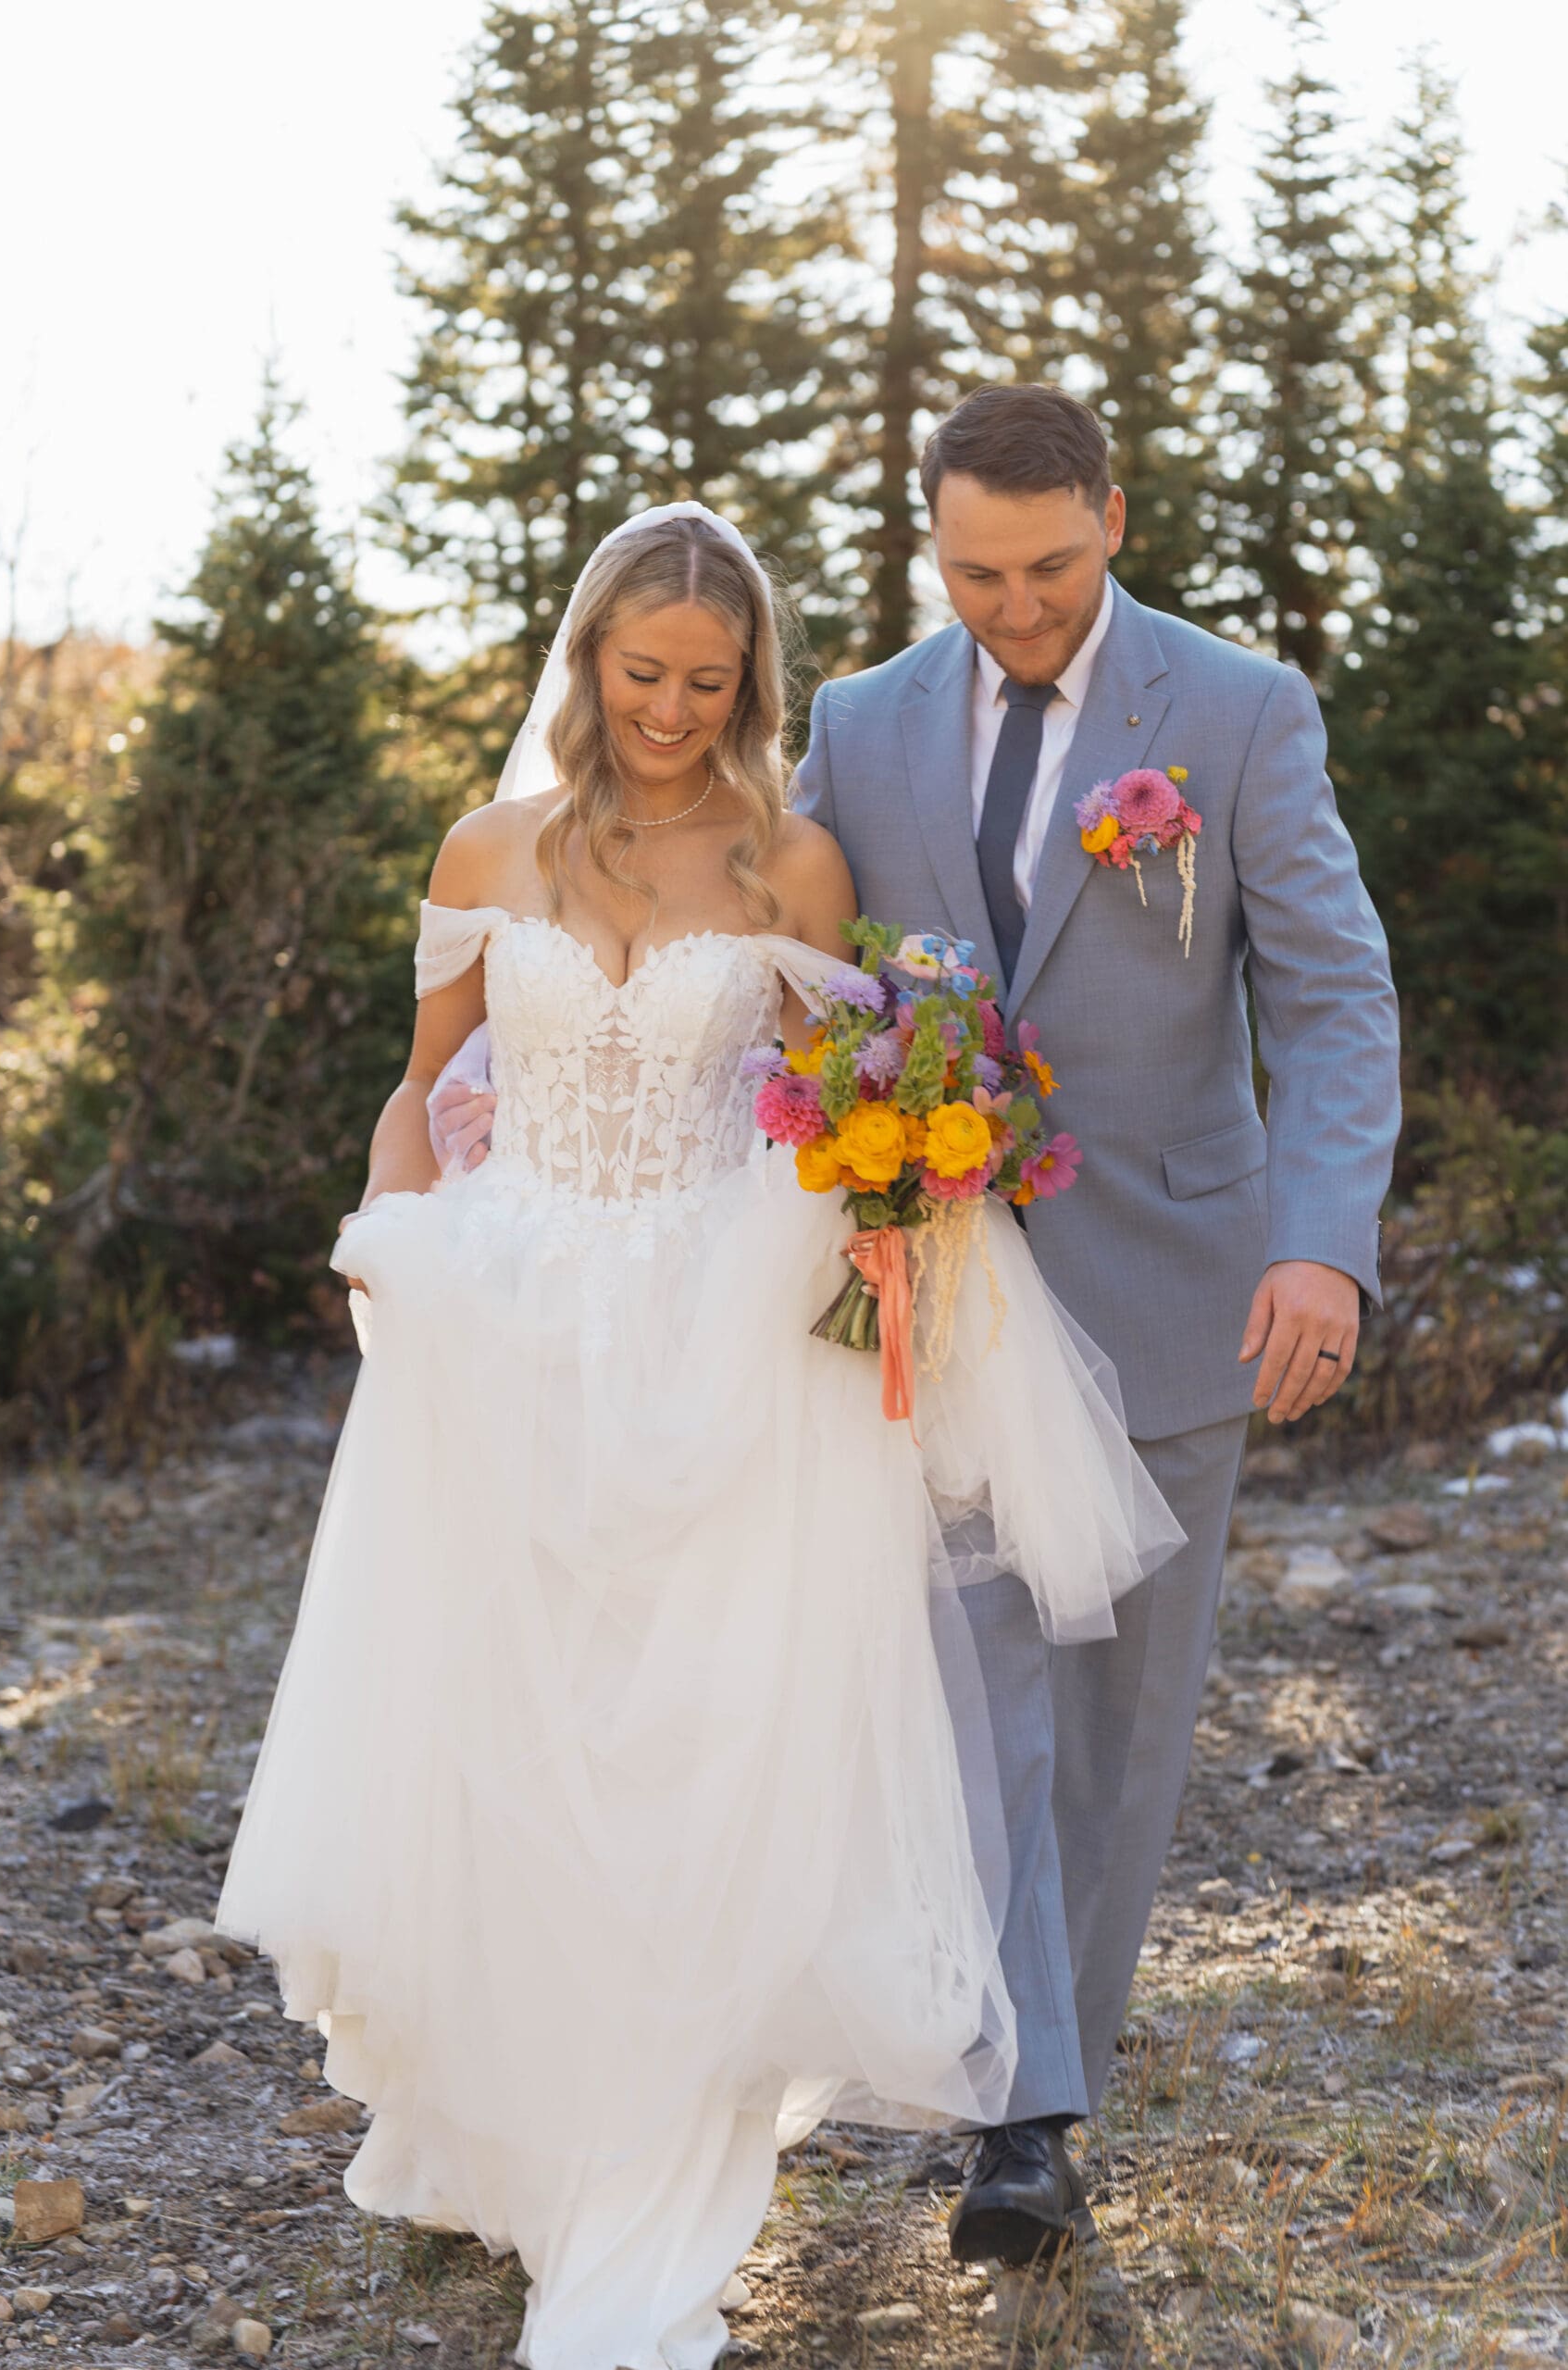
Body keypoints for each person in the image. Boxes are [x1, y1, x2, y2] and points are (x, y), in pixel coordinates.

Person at [432, 390, 1402, 2267]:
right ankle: (1020, 2111)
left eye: (1047, 565)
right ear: (926, 546)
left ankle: (1048, 2068)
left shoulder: (1233, 713)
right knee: (973, 1696)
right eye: (973, 569)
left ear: (1109, 518)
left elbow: (1331, 993)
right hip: (918, 1295)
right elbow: (764, 977)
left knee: (1113, 1715)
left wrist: (1321, 1244)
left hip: (1177, 1283)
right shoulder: (865, 729)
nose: (1015, 603)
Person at [216, 502, 1182, 2370]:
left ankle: (648, 2216)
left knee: (702, 1754)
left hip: (724, 1353)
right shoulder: (487, 846)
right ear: (586, 662)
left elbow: (831, 1099)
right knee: (522, 1740)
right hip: (506, 1334)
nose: (669, 708)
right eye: (641, 673)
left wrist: (898, 1168)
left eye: (707, 680)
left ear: (749, 684)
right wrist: (391, 1249)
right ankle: (529, 2124)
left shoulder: (786, 861)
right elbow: (420, 1092)